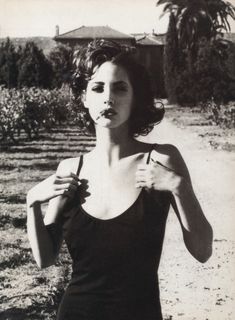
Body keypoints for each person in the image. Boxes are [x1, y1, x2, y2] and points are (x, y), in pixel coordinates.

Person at [27, 39, 213, 320]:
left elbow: (203, 251)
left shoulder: (162, 159)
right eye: (98, 88)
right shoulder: (70, 169)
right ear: (84, 98)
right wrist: (31, 203)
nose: (108, 98)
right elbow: (45, 259)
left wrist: (179, 186)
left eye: (120, 88)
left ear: (135, 97)